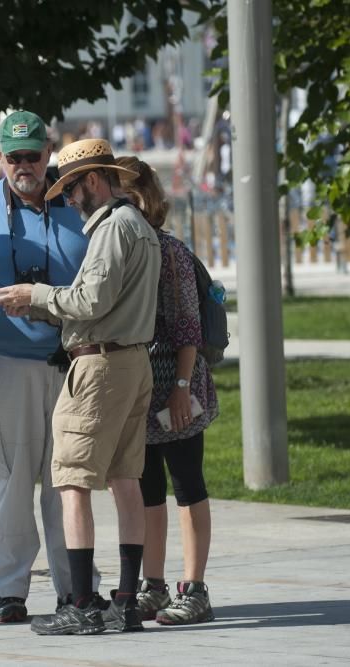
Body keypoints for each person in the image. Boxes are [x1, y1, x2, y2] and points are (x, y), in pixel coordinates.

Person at [0, 138, 160, 635]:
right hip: (131, 362)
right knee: (125, 480)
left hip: (99, 367)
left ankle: (82, 602)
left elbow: (91, 301)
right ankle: (127, 600)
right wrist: (39, 303)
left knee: (70, 482)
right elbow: (100, 300)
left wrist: (36, 293)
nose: (63, 197)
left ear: (91, 181)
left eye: (68, 187)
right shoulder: (137, 225)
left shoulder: (111, 228)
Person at [0, 111, 98, 623]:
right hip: (5, 365)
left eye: (32, 156)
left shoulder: (78, 204)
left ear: (48, 151)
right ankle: (8, 591)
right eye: (12, 158)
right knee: (10, 481)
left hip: (73, 365)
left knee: (68, 484)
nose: (23, 166)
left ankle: (74, 589)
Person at [116, 156, 219, 625]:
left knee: (187, 485)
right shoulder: (120, 249)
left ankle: (194, 589)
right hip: (138, 389)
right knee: (148, 488)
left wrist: (180, 387)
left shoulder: (168, 251)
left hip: (177, 388)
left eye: (125, 198)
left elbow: (188, 327)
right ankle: (152, 585)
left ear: (143, 198)